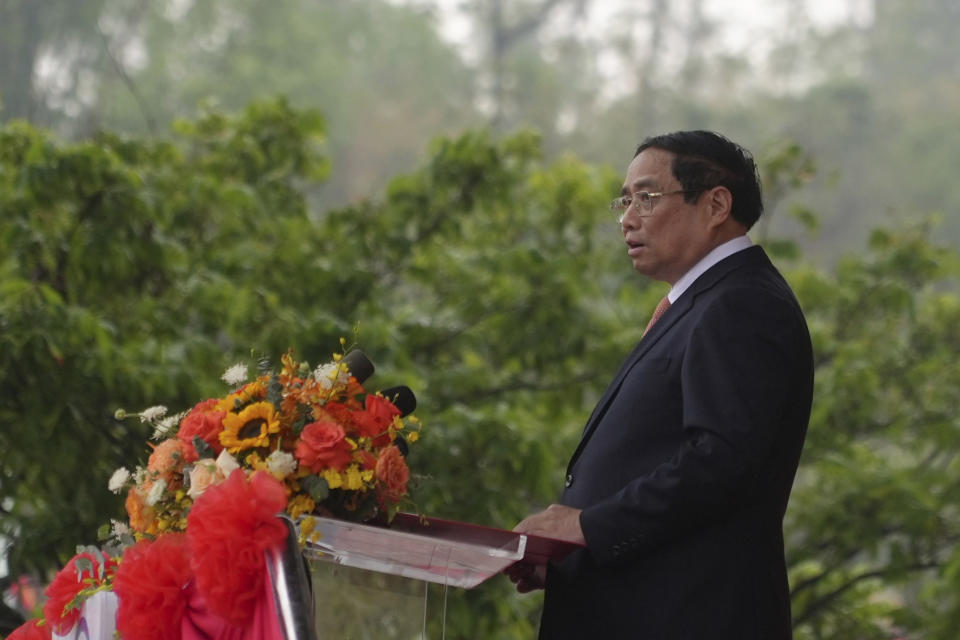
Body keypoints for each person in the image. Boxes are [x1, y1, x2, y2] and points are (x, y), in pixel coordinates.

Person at [508, 130, 814, 639]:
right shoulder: (699, 303)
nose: (628, 218)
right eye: (624, 201)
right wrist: (572, 555)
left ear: (716, 203)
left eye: (647, 197)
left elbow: (721, 461)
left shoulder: (741, 304)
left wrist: (587, 527)